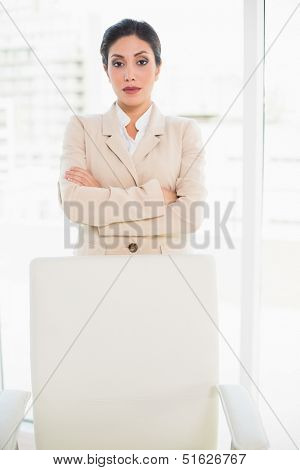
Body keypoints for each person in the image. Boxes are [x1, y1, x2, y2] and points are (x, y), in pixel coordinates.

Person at [58, 18, 208, 256]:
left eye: (141, 61)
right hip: (97, 275)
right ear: (106, 70)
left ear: (158, 68)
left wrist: (102, 201)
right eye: (118, 64)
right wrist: (158, 197)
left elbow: (191, 216)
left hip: (164, 276)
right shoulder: (81, 128)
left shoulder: (184, 131)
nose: (129, 75)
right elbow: (75, 205)